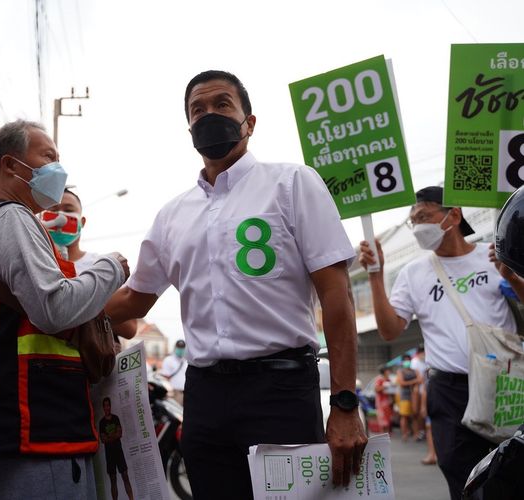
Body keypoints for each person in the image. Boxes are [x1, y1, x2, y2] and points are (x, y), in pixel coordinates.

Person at [106, 70, 367, 499]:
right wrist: (61, 309)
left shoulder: (293, 183)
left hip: (282, 390)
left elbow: (336, 297)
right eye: (198, 110)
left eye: (222, 105)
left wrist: (344, 404)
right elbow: (136, 298)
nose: (209, 115)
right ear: (188, 127)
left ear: (250, 121)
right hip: (205, 397)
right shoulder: (172, 215)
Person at [0, 119, 129, 500]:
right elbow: (54, 308)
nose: (57, 169)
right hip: (31, 426)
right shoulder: (12, 218)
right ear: (12, 165)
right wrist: (112, 267)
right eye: (48, 157)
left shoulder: (5, 224)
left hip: (31, 423)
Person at [358, 185, 524, 499]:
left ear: (454, 215)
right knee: (464, 482)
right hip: (449, 392)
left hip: (506, 386)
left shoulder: (493, 256)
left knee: (512, 472)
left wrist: (511, 276)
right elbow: (391, 330)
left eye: (424, 216)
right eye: (413, 221)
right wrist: (375, 276)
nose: (418, 227)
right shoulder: (413, 273)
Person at [46, 188, 137, 342]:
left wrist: (75, 305)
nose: (61, 217)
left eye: (68, 210)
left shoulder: (104, 266)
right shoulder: (36, 263)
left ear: (82, 222)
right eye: (53, 209)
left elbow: (130, 328)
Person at [98, 397, 134, 500]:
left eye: (108, 405)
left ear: (110, 406)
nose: (107, 407)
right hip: (109, 455)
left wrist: (109, 437)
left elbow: (120, 433)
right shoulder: (101, 423)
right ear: (103, 408)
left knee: (125, 476)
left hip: (119, 452)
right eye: (105, 406)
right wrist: (114, 436)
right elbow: (103, 440)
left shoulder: (116, 418)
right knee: (113, 480)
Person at [396, 353, 421, 441]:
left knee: (415, 415)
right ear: (402, 362)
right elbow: (402, 383)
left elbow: (420, 380)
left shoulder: (415, 370)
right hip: (405, 396)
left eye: (408, 360)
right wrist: (415, 381)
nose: (407, 362)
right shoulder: (400, 371)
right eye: (405, 360)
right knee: (404, 416)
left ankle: (416, 434)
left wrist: (409, 382)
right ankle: (405, 434)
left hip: (415, 396)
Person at [159, 340, 187, 405]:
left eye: (182, 348)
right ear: (175, 348)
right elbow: (165, 377)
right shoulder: (168, 360)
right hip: (174, 392)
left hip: (186, 393)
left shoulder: (187, 361)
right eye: (179, 347)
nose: (181, 349)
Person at [411, 345, 428, 441]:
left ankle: (423, 432)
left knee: (424, 413)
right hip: (418, 390)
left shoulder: (426, 361)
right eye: (422, 352)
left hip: (425, 388)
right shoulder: (415, 361)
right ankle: (417, 432)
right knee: (416, 412)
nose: (424, 354)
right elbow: (417, 376)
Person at [374, 365, 394, 435]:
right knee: (382, 417)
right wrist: (384, 386)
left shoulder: (389, 379)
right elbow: (376, 389)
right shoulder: (379, 379)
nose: (389, 372)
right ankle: (382, 433)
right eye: (387, 370)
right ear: (384, 371)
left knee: (388, 417)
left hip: (388, 401)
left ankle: (388, 432)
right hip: (381, 402)